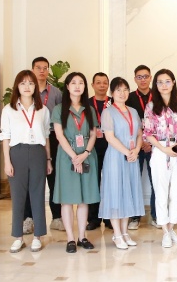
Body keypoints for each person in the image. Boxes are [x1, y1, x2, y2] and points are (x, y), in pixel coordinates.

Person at [0, 70, 53, 253]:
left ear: (35, 86)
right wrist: (7, 162)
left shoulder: (42, 110)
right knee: (18, 197)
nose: (27, 86)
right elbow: (5, 137)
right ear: (17, 86)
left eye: (30, 83)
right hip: (17, 153)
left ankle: (38, 236)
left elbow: (46, 136)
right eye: (23, 83)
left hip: (38, 152)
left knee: (38, 195)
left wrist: (48, 160)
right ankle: (18, 237)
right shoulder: (9, 110)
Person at [52, 72, 99, 253]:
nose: (77, 86)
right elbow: (59, 135)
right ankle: (70, 239)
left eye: (81, 83)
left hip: (87, 155)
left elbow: (93, 134)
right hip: (67, 156)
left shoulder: (90, 109)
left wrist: (85, 154)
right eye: (73, 83)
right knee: (67, 199)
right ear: (67, 86)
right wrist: (74, 156)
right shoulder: (59, 109)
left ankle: (82, 237)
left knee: (84, 199)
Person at [143, 69, 177, 249]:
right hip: (160, 150)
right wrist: (164, 149)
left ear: (173, 83)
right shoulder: (151, 106)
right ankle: (164, 231)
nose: (164, 85)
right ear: (156, 85)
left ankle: (171, 228)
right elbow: (148, 133)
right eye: (160, 82)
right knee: (161, 192)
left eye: (167, 81)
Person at [98, 77, 145, 249]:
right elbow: (109, 137)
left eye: (125, 89)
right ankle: (117, 234)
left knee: (128, 193)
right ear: (112, 93)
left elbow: (139, 134)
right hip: (116, 157)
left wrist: (136, 150)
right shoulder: (108, 112)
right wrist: (127, 152)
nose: (122, 93)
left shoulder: (133, 111)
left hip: (132, 157)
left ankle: (125, 233)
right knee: (115, 193)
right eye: (118, 90)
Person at [22, 57, 63, 234]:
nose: (42, 71)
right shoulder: (27, 91)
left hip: (52, 137)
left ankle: (57, 217)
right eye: (38, 67)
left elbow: (61, 115)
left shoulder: (56, 93)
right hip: (30, 138)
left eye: (45, 68)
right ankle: (28, 218)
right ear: (32, 69)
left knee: (54, 178)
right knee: (30, 179)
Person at [126, 64, 155, 229]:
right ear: (135, 79)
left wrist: (149, 141)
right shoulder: (128, 98)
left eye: (145, 76)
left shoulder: (158, 96)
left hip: (154, 146)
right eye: (139, 77)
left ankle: (156, 216)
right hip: (135, 146)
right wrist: (141, 142)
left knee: (156, 180)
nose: (143, 80)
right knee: (133, 181)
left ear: (150, 78)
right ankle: (134, 217)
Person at [86, 72, 111, 231]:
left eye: (105, 83)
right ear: (93, 85)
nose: (102, 85)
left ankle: (109, 218)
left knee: (109, 183)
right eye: (98, 82)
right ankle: (93, 218)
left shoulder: (114, 102)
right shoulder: (87, 103)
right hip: (92, 148)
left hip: (111, 148)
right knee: (93, 183)